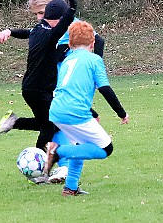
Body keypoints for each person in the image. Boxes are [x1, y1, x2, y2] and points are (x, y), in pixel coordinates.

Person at [0, 0, 104, 183]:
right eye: (36, 14)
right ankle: (58, 168)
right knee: (55, 124)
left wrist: (92, 72)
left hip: (64, 83)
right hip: (49, 85)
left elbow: (98, 41)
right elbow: (35, 36)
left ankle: (53, 164)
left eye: (42, 13)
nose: (39, 18)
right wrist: (10, 31)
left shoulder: (72, 26)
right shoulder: (45, 29)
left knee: (53, 123)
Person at [44, 20, 129, 196]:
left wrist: (92, 113)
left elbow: (69, 90)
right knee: (106, 149)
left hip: (57, 109)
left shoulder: (67, 60)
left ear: (69, 43)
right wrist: (121, 113)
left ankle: (71, 188)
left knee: (81, 146)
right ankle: (57, 151)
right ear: (93, 43)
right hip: (75, 113)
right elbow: (104, 88)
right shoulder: (94, 59)